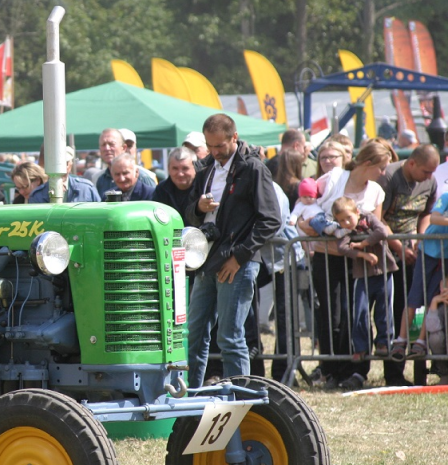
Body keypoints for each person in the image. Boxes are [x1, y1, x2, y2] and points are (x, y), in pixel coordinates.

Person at [184, 114, 281, 388]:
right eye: (210, 146)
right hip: (207, 260)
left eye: (220, 146)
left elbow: (271, 219)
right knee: (195, 334)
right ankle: (190, 397)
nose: (215, 152)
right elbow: (190, 214)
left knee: (229, 335)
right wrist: (197, 209)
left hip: (237, 262)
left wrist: (239, 257)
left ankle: (240, 398)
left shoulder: (253, 169)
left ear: (234, 138)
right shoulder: (205, 169)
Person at [298, 141, 389, 390]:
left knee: (356, 315)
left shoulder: (376, 192)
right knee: (331, 315)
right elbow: (306, 209)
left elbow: (373, 229)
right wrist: (304, 225)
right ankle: (332, 370)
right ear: (368, 164)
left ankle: (356, 370)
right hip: (327, 259)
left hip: (359, 262)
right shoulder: (334, 178)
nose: (384, 173)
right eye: (381, 167)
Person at [378, 144, 439, 385]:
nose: (430, 177)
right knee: (389, 313)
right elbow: (378, 217)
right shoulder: (389, 178)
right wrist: (398, 247)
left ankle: (411, 371)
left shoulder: (430, 181)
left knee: (413, 307)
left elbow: (426, 213)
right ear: (411, 163)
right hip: (386, 252)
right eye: (426, 172)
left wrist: (419, 240)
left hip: (414, 250)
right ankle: (392, 373)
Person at [327, 197, 396, 362]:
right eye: (341, 220)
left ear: (357, 212)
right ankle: (360, 347)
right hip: (362, 274)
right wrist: (363, 254)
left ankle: (384, 343)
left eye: (348, 218)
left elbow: (382, 231)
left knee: (384, 309)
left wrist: (362, 243)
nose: (346, 222)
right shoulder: (345, 231)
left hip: (384, 271)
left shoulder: (369, 218)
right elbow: (342, 247)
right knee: (360, 311)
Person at [93, 128, 155, 197]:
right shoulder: (100, 179)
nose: (107, 148)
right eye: (103, 145)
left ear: (123, 148)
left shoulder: (143, 178)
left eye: (111, 144)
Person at [28, 147, 100, 203]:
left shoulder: (86, 189)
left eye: (64, 163)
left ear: (70, 164)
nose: (59, 168)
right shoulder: (37, 196)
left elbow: (101, 215)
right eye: (54, 163)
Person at [152, 146, 197, 217]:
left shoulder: (203, 187)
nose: (180, 174)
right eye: (175, 168)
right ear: (168, 169)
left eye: (185, 168)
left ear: (195, 168)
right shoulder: (161, 190)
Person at [424, 276, 448, 385]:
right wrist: (434, 302)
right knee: (435, 338)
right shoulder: (440, 307)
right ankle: (445, 374)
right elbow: (432, 328)